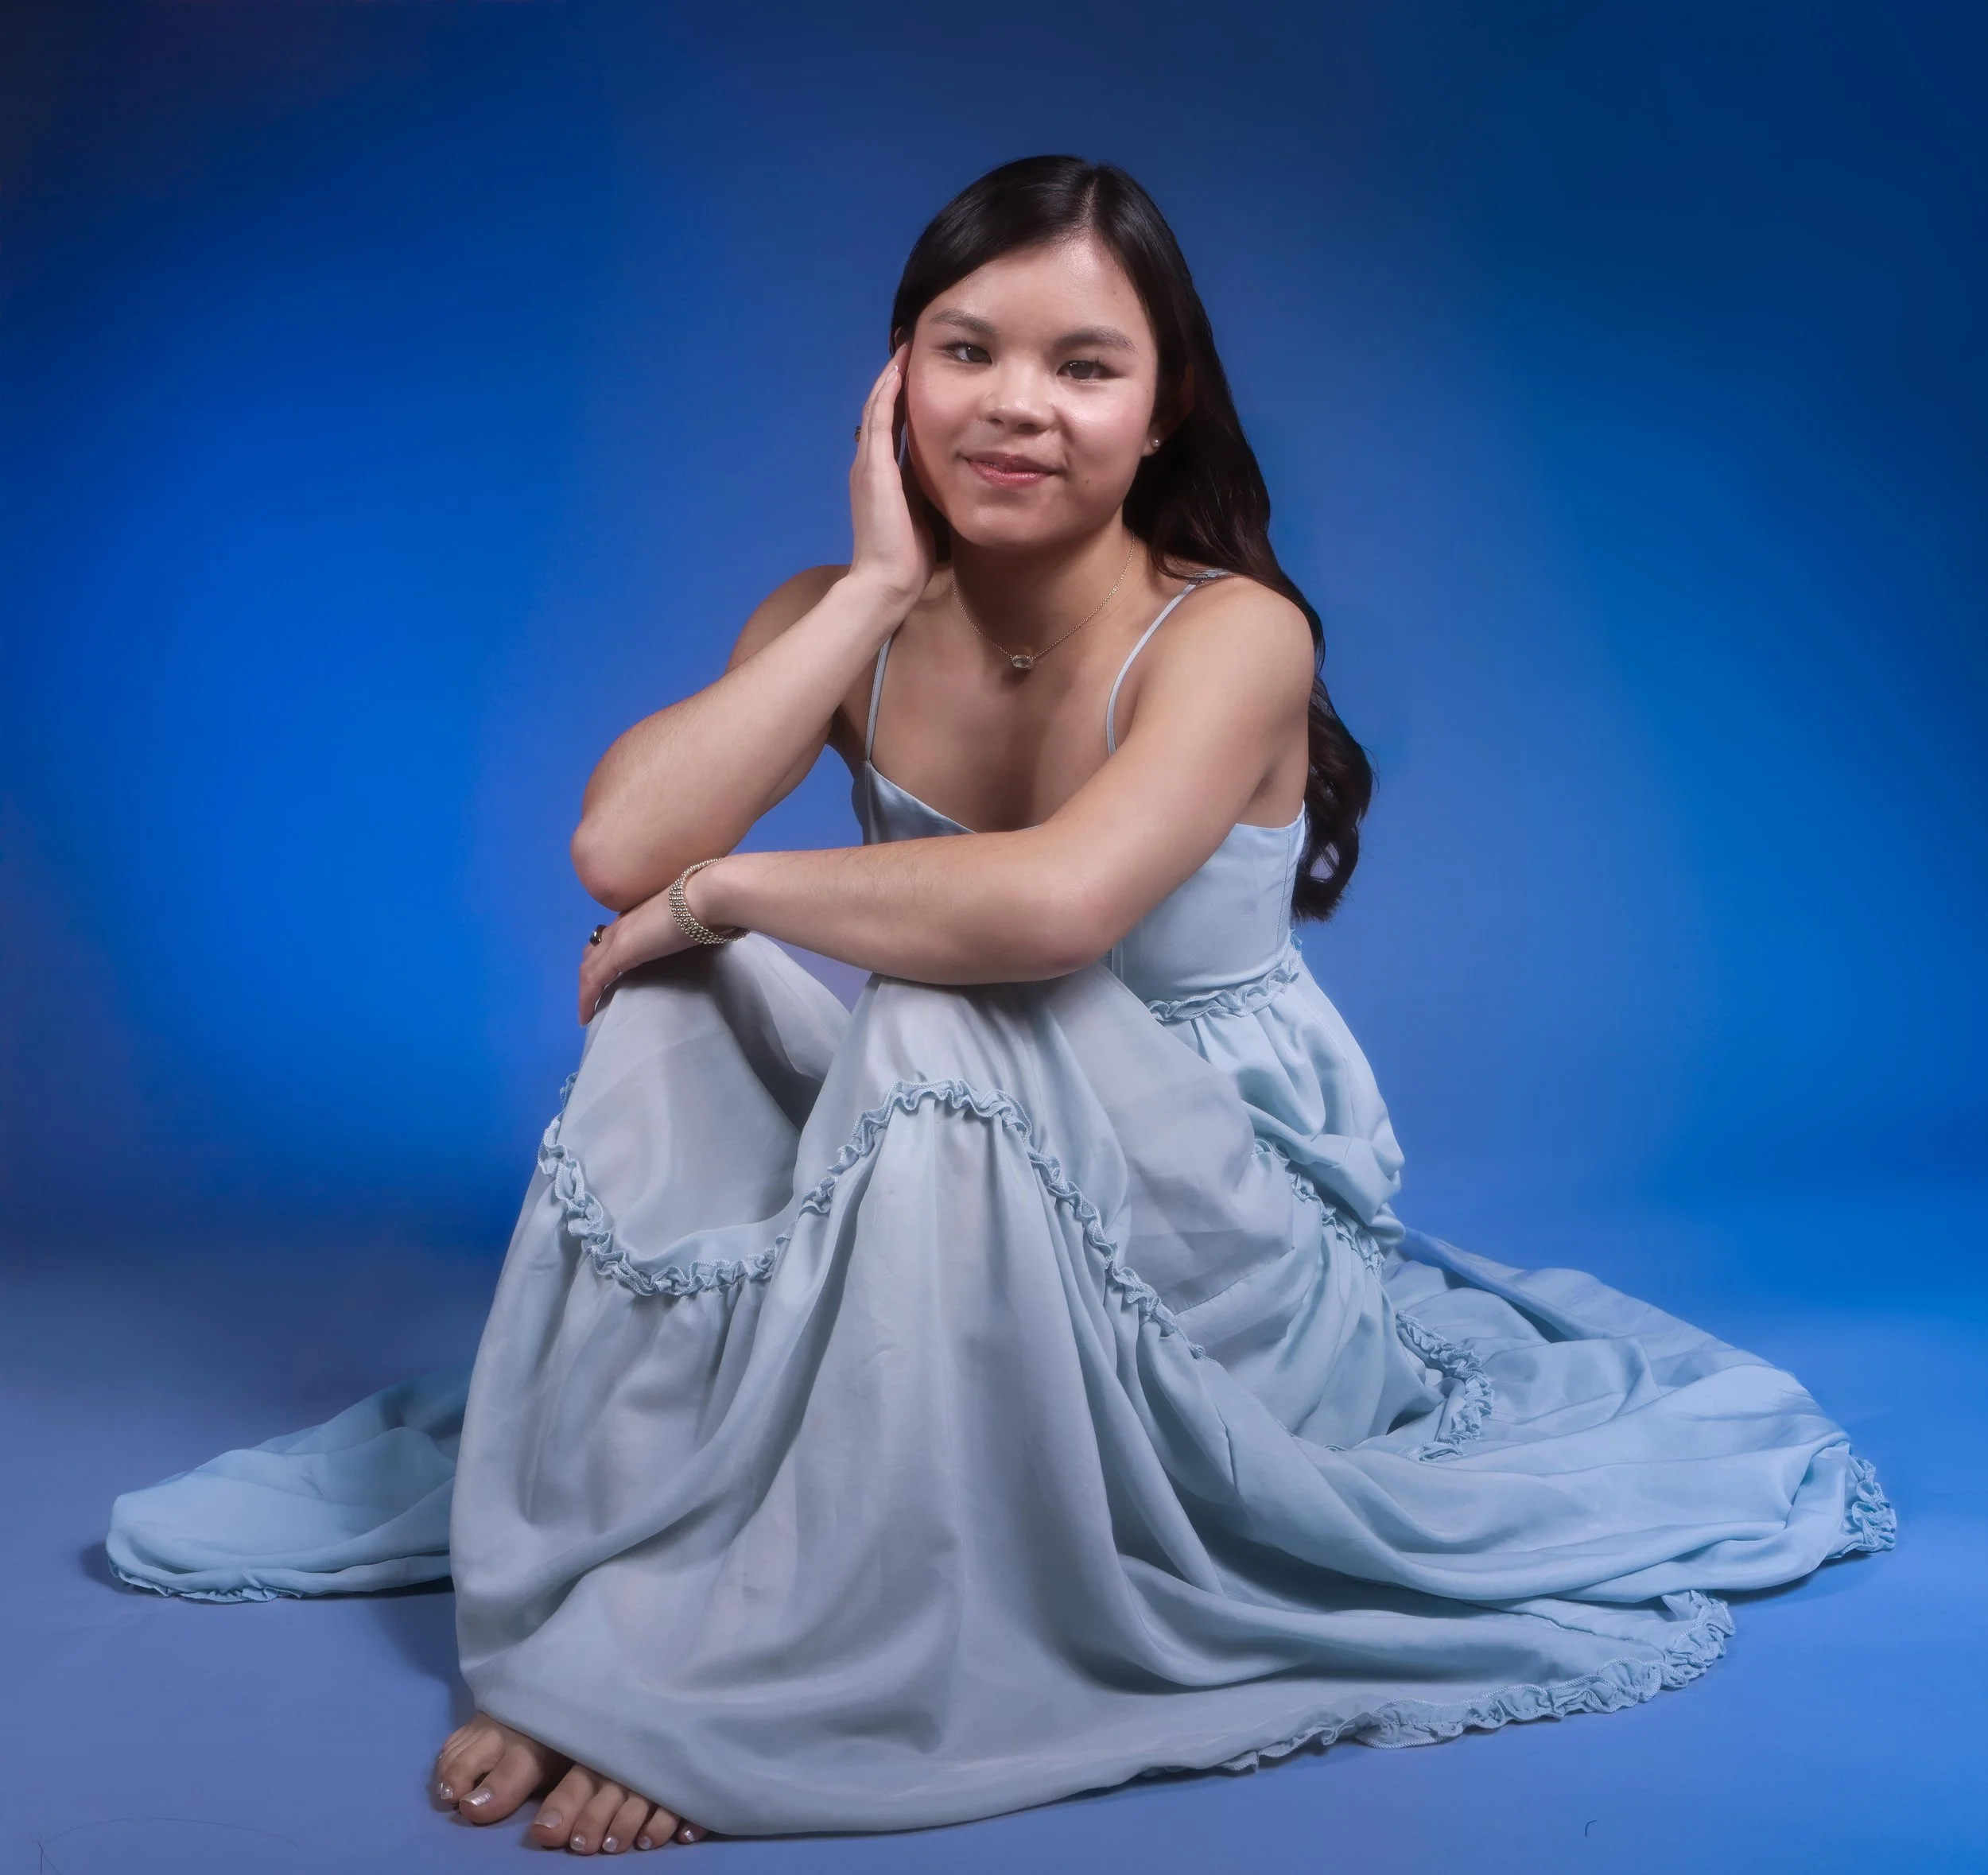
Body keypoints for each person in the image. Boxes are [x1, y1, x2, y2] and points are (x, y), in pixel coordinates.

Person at [107, 157, 1894, 1854]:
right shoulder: (838, 614)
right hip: (946, 1145)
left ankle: (724, 1670)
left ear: (1163, 403)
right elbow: (615, 841)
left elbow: (1045, 908)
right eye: (966, 352)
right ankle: (626, 1599)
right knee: (680, 1002)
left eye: (1081, 364)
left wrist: (726, 887)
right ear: (895, 381)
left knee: (927, 990)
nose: (1017, 405)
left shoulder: (1231, 632)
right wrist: (872, 589)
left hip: (1229, 1250)